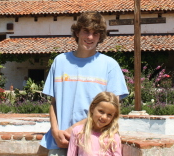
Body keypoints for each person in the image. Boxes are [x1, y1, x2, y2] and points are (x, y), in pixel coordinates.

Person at [40, 11, 129, 156]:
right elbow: (53, 103)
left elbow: (112, 107)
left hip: (92, 143)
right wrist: (56, 131)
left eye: (95, 33)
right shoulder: (60, 61)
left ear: (100, 37)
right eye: (86, 31)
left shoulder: (110, 66)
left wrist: (74, 129)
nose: (90, 37)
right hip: (59, 141)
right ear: (77, 32)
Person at [67, 91, 122, 156]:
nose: (104, 117)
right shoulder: (78, 132)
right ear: (92, 108)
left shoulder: (113, 138)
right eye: (101, 111)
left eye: (109, 115)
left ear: (113, 117)